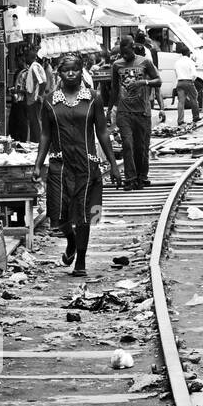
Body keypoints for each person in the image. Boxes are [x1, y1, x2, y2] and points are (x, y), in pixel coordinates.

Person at [33, 52, 122, 279]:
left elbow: (102, 132)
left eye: (75, 69)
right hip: (59, 165)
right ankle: (71, 240)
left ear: (81, 71)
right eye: (65, 70)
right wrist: (37, 164)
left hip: (87, 165)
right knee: (58, 215)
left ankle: (80, 261)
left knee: (85, 215)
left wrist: (113, 164)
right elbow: (45, 135)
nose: (70, 73)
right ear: (59, 73)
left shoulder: (93, 98)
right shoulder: (50, 101)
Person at [109, 35, 160, 191]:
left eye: (126, 53)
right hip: (124, 112)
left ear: (133, 47)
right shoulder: (117, 65)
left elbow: (158, 80)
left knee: (142, 147)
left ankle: (141, 177)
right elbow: (115, 89)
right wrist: (110, 109)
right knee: (127, 144)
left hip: (143, 112)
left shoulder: (145, 61)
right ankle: (130, 178)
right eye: (122, 54)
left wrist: (143, 82)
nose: (124, 56)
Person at [11, 44, 47, 143]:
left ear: (28, 57)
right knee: (33, 123)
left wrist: (39, 95)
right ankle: (35, 143)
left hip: (33, 100)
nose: (24, 59)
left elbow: (42, 82)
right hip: (31, 99)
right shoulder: (32, 67)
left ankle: (39, 143)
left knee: (35, 123)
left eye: (25, 57)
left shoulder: (34, 67)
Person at [174, 45, 201, 127]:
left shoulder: (177, 62)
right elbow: (194, 75)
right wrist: (191, 81)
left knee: (181, 102)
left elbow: (176, 73)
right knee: (194, 99)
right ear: (188, 53)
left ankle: (180, 120)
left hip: (179, 82)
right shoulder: (190, 61)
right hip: (188, 82)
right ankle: (196, 117)